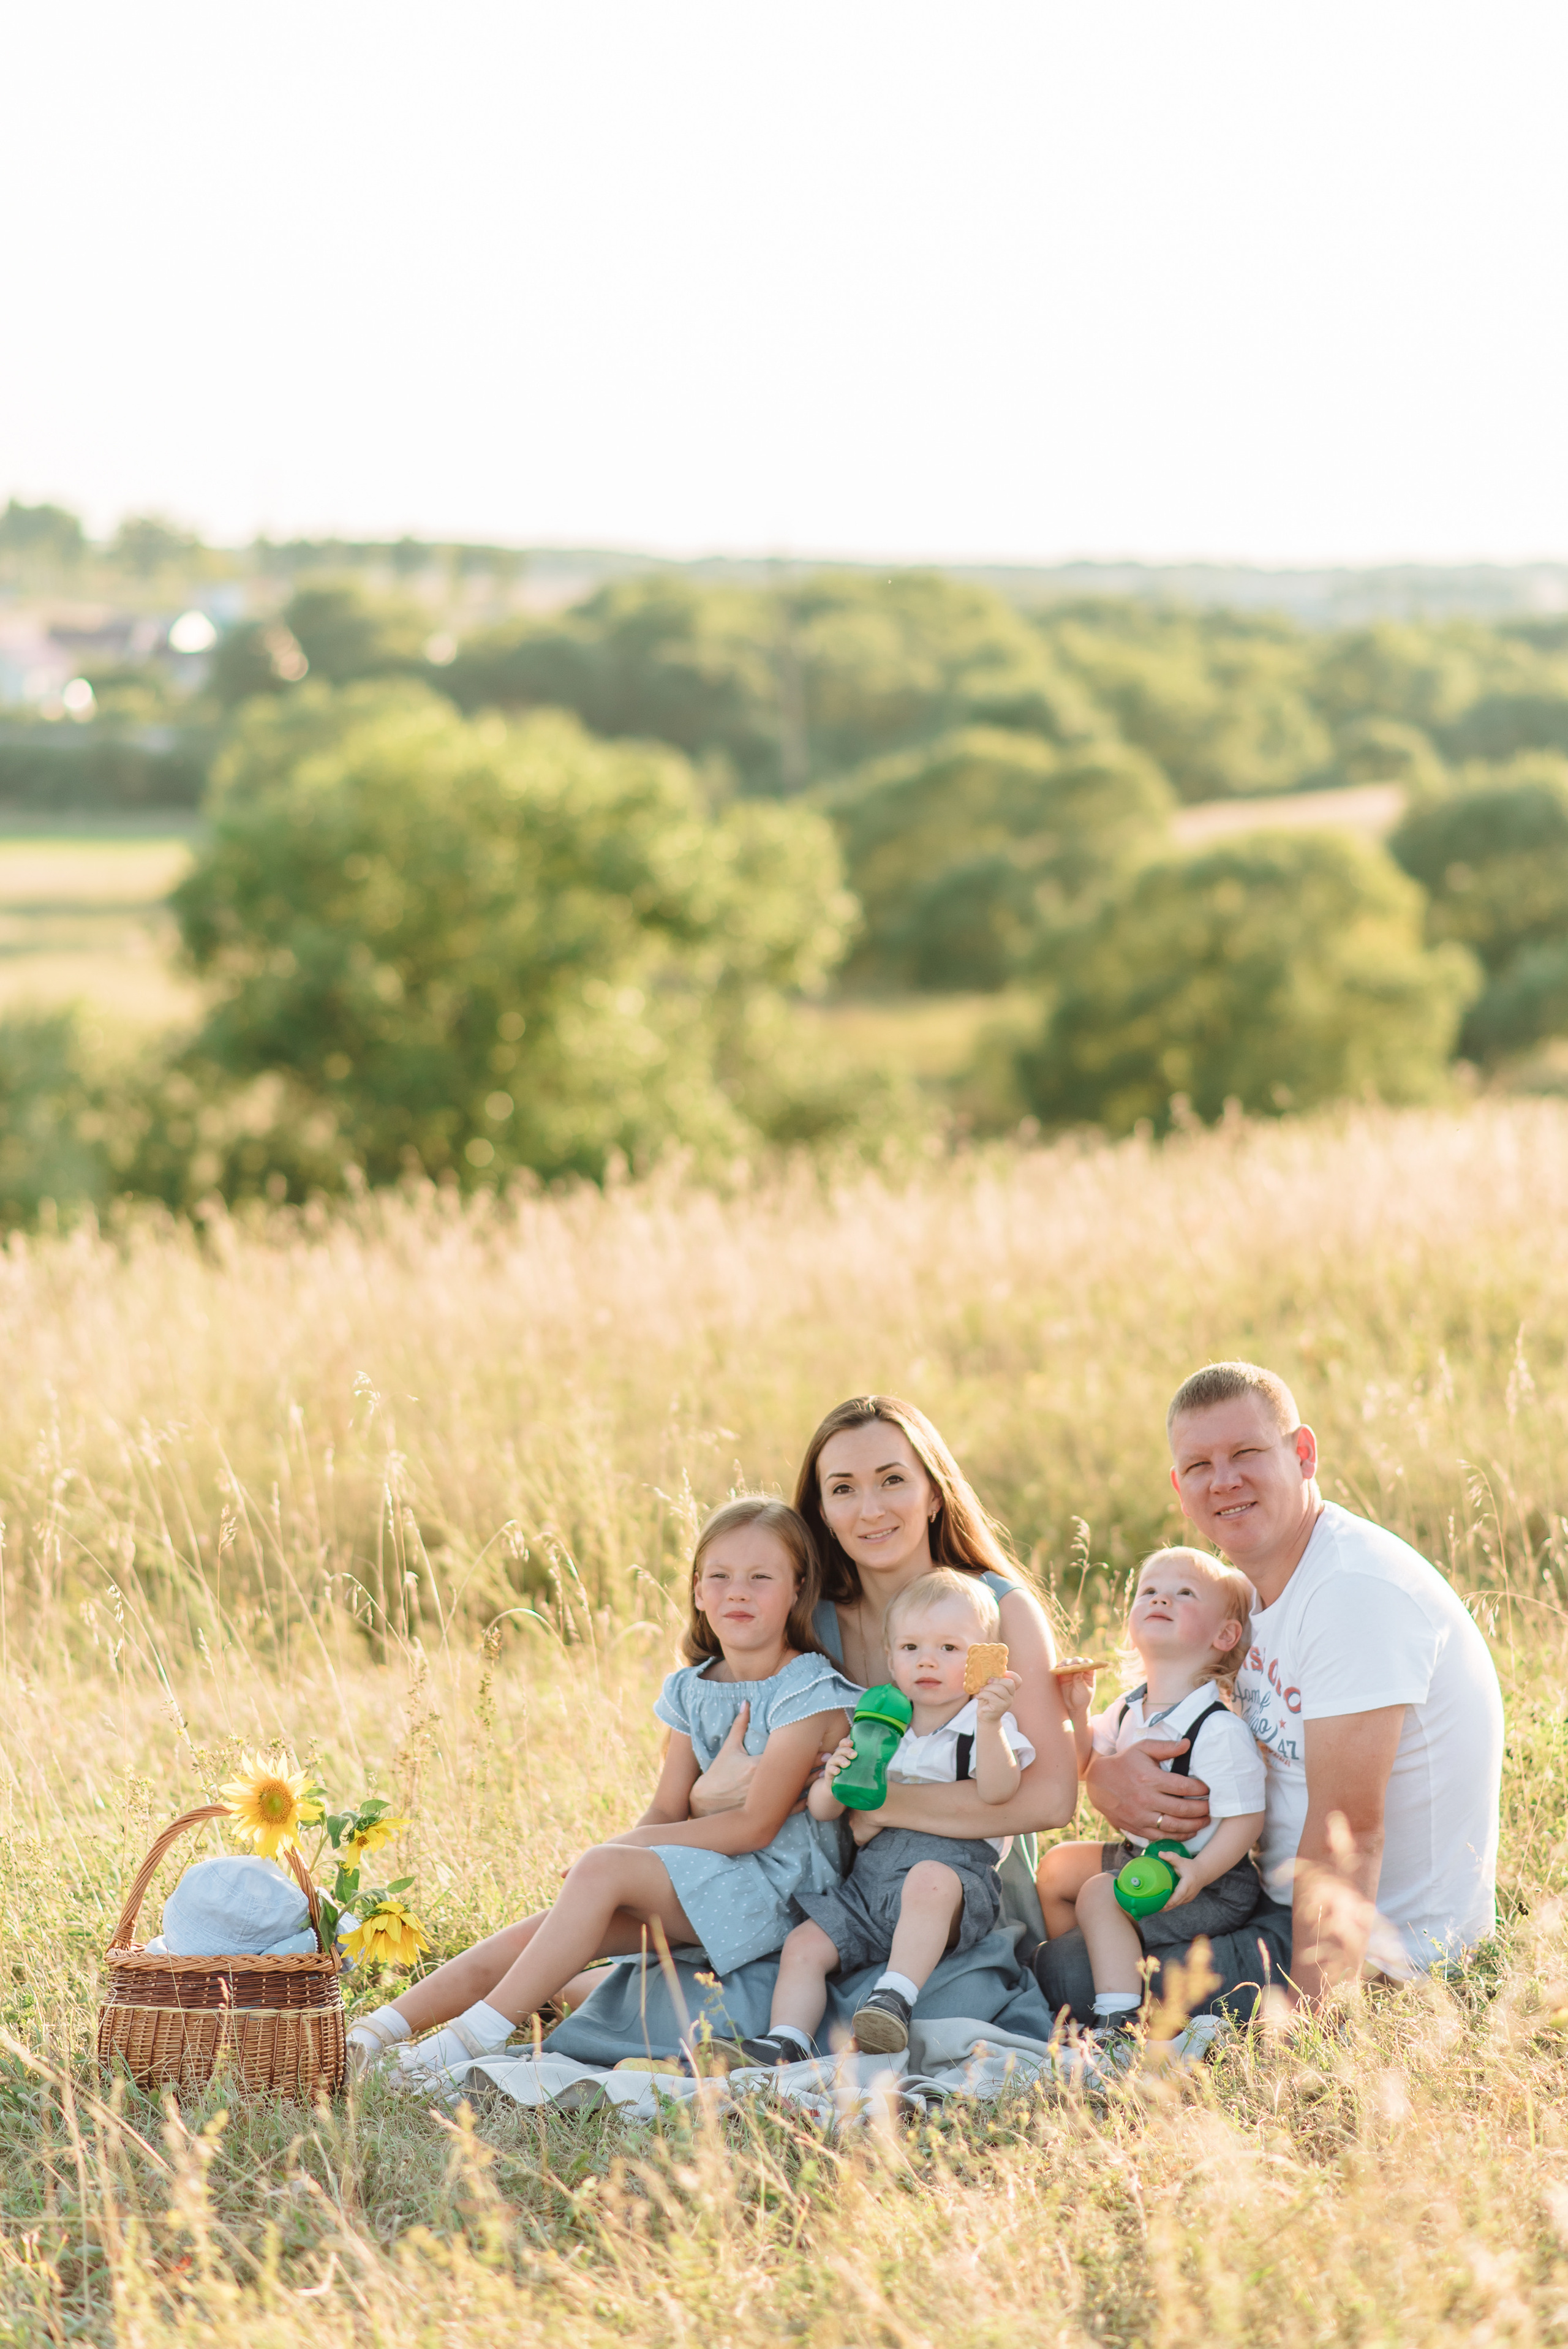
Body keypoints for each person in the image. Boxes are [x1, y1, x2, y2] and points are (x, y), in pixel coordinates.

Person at [1034, 1361, 1505, 2024]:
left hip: (1380, 1947)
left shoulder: (1352, 1594)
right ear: (1179, 1487)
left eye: (1247, 1452)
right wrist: (1104, 1774)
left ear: (1303, 1453)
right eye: (1198, 1465)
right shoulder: (1246, 1594)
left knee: (1059, 1973)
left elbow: (1351, 1833)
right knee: (1058, 1906)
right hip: (1255, 1891)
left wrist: (1314, 2031)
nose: (1223, 1480)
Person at [346, 1496, 859, 2083]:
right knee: (539, 1932)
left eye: (761, 1577)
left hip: (777, 1891)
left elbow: (756, 1827)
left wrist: (616, 1855)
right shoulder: (693, 1687)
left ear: (798, 1589)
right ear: (696, 1590)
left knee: (601, 1871)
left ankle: (466, 2041)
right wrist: (621, 1852)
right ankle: (370, 2035)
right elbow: (668, 1806)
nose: (737, 1591)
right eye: (719, 1576)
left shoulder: (807, 1692)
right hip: (709, 1878)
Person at [685, 1396, 1078, 1950]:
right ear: (821, 1509)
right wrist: (704, 1800)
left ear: (934, 1494)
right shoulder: (807, 1618)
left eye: (892, 1480)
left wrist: (876, 1803)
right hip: (819, 1895)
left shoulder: (999, 1610)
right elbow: (716, 1754)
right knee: (648, 1992)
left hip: (960, 1894)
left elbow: (1051, 1799)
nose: (870, 1510)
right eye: (843, 1488)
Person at [744, 1567, 1035, 2063]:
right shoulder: (878, 1722)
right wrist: (834, 1775)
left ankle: (893, 1998)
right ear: (889, 1659)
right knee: (805, 1943)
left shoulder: (980, 1725)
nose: (928, 1660)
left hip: (952, 1882)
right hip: (870, 1883)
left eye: (949, 1648)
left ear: (981, 1660)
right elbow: (823, 1810)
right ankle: (786, 2039)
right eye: (910, 1648)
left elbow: (1000, 1790)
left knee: (928, 1880)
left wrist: (991, 1724)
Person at [1039, 1547, 1265, 2040]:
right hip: (1143, 1857)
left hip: (1211, 1879)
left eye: (1184, 1593)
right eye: (1150, 1591)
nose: (1162, 1598)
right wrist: (1077, 1711)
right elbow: (1082, 1765)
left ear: (1223, 1635)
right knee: (1058, 1866)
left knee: (1101, 1892)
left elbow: (1247, 1818)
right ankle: (1078, 1969)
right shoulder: (1126, 1708)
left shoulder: (1216, 1727)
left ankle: (1119, 2024)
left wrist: (1200, 1871)